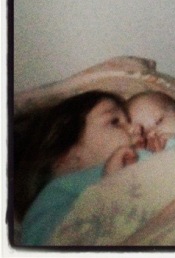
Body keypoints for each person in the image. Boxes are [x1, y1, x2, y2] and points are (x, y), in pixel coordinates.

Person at [14, 91, 146, 246]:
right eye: (115, 122)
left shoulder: (144, 154)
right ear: (66, 156)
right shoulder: (54, 197)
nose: (137, 127)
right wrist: (110, 189)